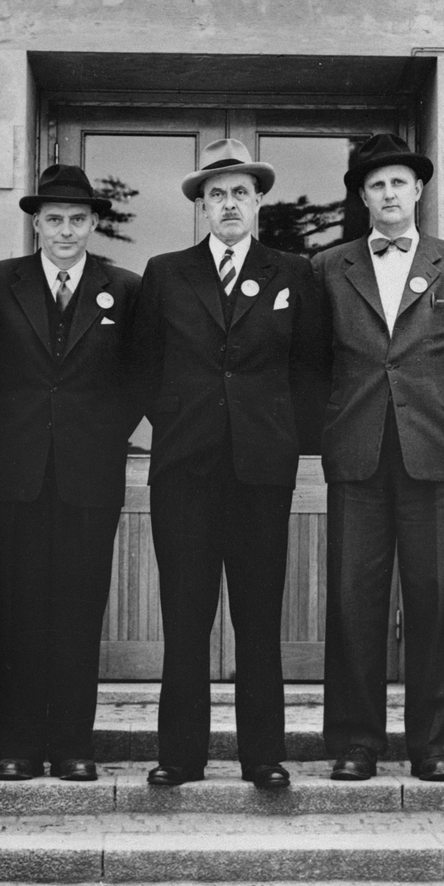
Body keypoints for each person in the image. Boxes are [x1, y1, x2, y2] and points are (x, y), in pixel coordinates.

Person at [134, 138, 325, 789]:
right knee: (185, 617)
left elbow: (312, 369)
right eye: (216, 194)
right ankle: (180, 754)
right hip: (184, 472)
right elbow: (143, 367)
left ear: (259, 200)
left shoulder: (292, 273)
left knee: (258, 615)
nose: (229, 204)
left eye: (240, 192)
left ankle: (263, 754)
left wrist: (278, 435)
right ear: (201, 205)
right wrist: (185, 421)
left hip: (260, 474)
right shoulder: (166, 272)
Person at [312, 133, 444, 783]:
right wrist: (336, 425)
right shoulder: (330, 267)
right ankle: (356, 742)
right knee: (354, 600)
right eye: (375, 185)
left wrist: (433, 413)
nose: (388, 195)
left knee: (435, 598)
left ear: (417, 190)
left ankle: (433, 745)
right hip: (356, 454)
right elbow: (312, 365)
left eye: (399, 183)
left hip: (433, 454)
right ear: (361, 197)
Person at [0, 164, 141, 782]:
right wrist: (10, 429)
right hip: (16, 472)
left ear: (94, 222)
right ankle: (16, 745)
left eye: (76, 219)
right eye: (53, 219)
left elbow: (137, 380)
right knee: (19, 606)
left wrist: (99, 434)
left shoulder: (123, 286)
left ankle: (72, 744)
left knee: (78, 606)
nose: (64, 230)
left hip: (90, 474)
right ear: (36, 223)